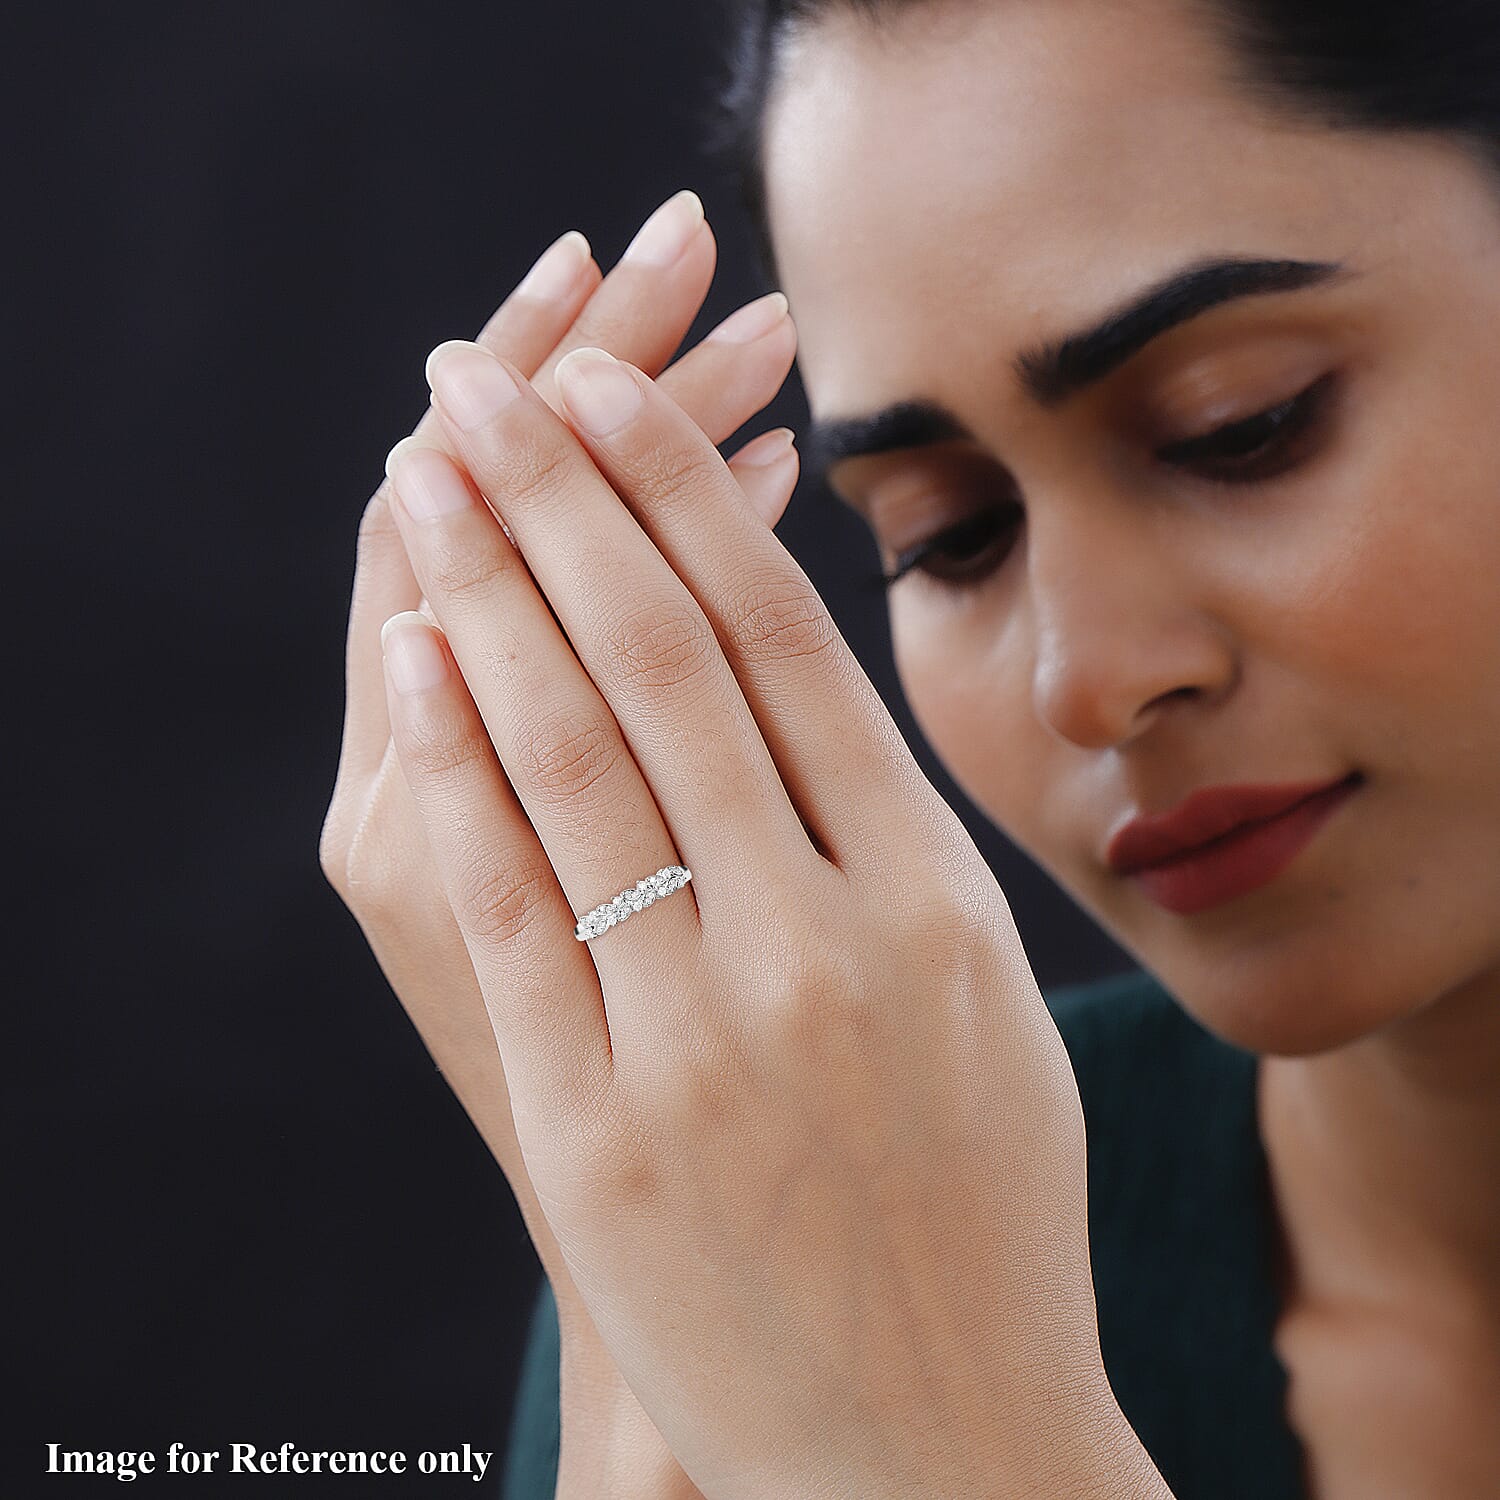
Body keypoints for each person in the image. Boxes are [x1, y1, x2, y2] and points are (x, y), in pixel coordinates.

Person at [320, 0, 1500, 1495]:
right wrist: (638, 1276)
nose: (1084, 680)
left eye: (1239, 428)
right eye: (949, 538)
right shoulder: (817, 1197)